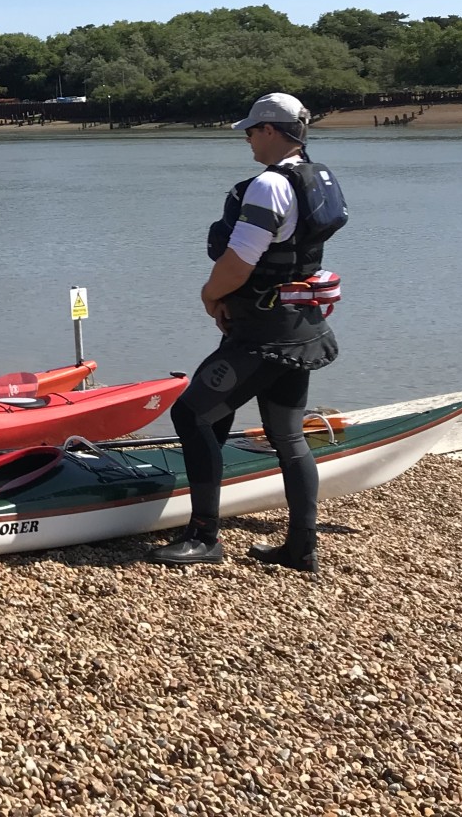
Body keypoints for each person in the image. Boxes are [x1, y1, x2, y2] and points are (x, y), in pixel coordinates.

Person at [149, 93, 347, 573]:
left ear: (272, 131)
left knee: (193, 415)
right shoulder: (314, 177)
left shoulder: (269, 186)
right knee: (286, 434)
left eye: (251, 130)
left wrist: (209, 295)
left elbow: (239, 262)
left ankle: (203, 536)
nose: (247, 139)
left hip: (262, 332)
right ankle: (301, 546)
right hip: (299, 326)